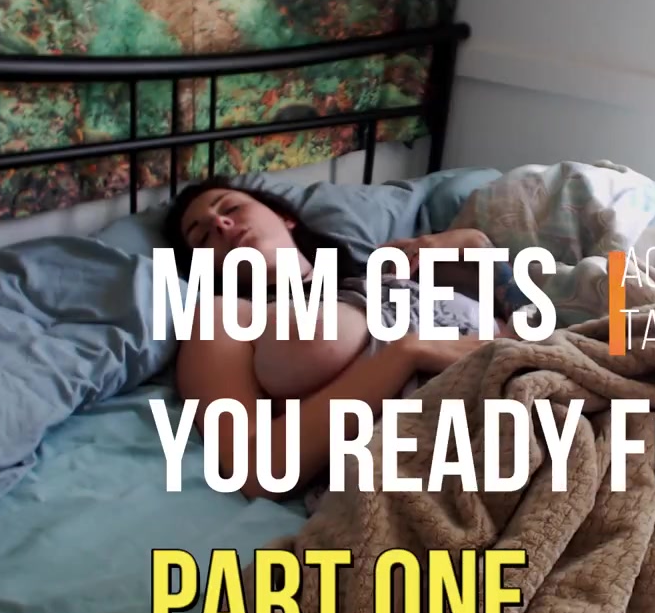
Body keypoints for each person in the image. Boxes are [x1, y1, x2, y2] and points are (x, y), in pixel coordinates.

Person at [161, 178, 530, 500]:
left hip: (529, 389)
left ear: (285, 217)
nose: (221, 224)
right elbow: (255, 471)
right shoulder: (225, 316)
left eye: (231, 208)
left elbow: (527, 315)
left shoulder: (388, 270)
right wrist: (404, 354)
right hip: (439, 460)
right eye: (203, 236)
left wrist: (465, 243)